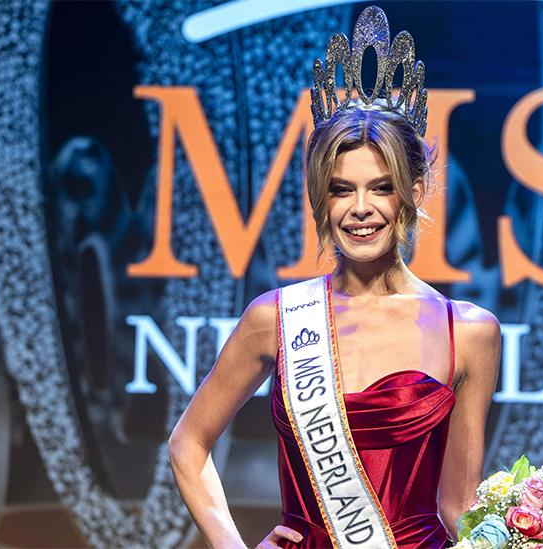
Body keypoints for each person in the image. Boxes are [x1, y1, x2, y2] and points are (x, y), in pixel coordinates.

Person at [167, 6, 500, 548]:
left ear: (413, 195)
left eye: (382, 187)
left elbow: (459, 506)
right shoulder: (274, 318)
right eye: (342, 189)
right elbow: (187, 444)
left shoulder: (470, 332)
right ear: (322, 199)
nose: (360, 208)